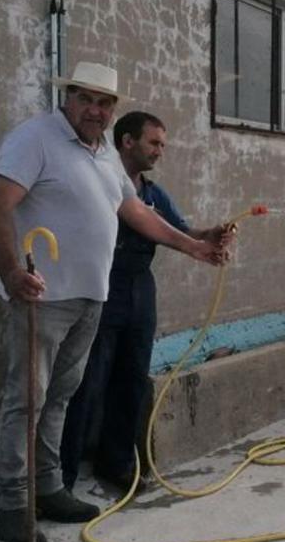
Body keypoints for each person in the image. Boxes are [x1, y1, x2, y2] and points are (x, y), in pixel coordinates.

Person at [0, 62, 230, 542]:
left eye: (105, 102)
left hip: (92, 295)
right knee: (27, 400)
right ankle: (13, 505)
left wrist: (193, 245)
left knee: (60, 397)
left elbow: (135, 212)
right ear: (67, 97)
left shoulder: (104, 155)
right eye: (86, 98)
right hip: (42, 297)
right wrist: (11, 273)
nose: (95, 109)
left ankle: (49, 488)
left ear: (113, 111)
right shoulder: (36, 138)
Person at [59, 111, 230, 493]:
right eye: (154, 143)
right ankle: (62, 477)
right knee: (86, 383)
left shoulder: (153, 194)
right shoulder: (102, 182)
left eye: (163, 145)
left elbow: (180, 231)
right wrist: (195, 246)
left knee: (132, 379)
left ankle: (116, 463)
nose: (159, 152)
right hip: (102, 288)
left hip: (140, 290)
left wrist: (210, 235)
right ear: (127, 141)